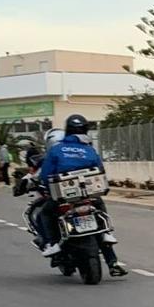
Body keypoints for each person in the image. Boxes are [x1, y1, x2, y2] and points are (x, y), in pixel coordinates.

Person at [30, 114, 126, 276]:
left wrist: (46, 185)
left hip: (64, 196)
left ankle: (52, 244)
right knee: (99, 209)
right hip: (88, 194)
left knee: (46, 213)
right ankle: (108, 236)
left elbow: (46, 175)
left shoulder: (56, 150)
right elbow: (100, 170)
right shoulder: (89, 149)